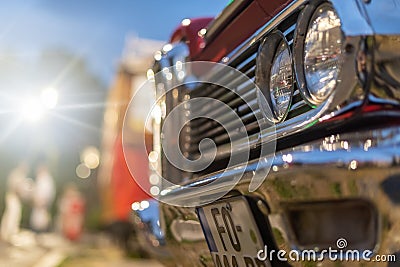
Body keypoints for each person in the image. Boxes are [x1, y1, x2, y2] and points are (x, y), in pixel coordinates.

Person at [0, 163, 30, 242]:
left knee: (13, 215)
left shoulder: (21, 175)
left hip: (15, 198)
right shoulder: (16, 174)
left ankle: (8, 234)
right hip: (12, 197)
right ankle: (8, 234)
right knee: (12, 215)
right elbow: (14, 187)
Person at [30, 164, 56, 233]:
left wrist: (42, 202)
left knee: (41, 226)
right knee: (36, 225)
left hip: (42, 207)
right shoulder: (39, 179)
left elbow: (48, 194)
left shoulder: (47, 180)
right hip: (37, 206)